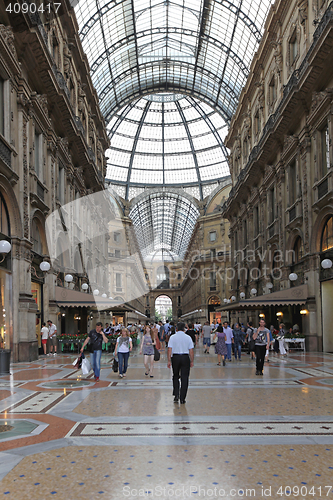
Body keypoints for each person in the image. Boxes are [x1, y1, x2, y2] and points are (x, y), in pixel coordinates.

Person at [167, 322, 194, 404]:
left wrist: (169, 360)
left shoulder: (172, 337)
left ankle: (176, 395)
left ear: (176, 329)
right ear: (184, 329)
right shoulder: (188, 337)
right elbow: (191, 351)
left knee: (175, 376)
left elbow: (169, 349)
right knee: (185, 378)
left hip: (175, 358)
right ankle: (183, 398)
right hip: (185, 358)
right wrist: (192, 361)